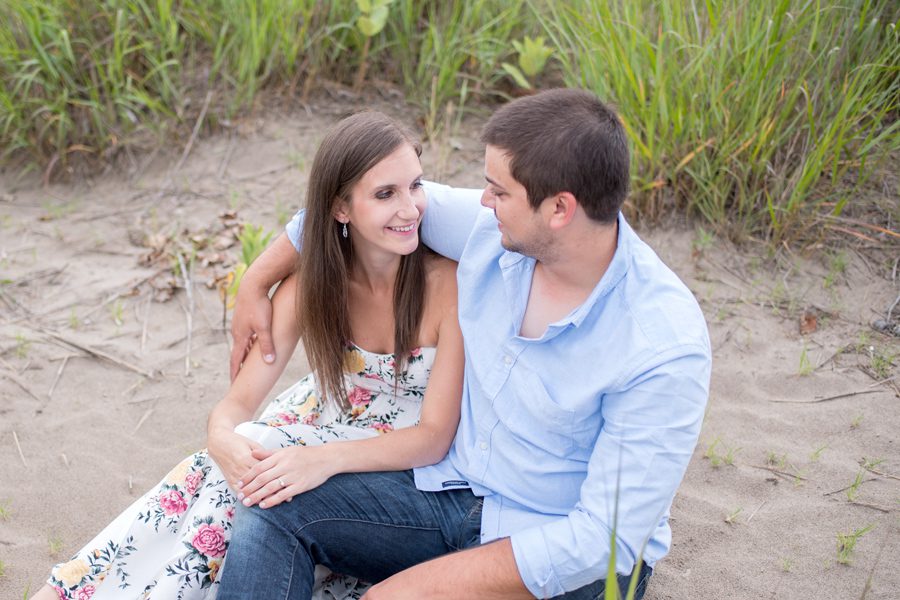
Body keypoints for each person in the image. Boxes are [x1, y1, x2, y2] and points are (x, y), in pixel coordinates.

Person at [219, 88, 712, 599]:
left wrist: (411, 590)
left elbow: (603, 543)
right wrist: (257, 280)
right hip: (453, 495)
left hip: (562, 555)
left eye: (498, 192)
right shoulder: (492, 230)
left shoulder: (662, 344)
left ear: (560, 209)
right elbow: (353, 200)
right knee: (275, 507)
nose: (481, 201)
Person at [34, 111, 465, 600]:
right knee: (226, 466)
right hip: (320, 421)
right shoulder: (312, 285)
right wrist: (222, 441)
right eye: (386, 194)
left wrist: (317, 460)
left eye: (416, 186)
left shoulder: (445, 284)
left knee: (257, 470)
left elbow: (433, 439)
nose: (411, 208)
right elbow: (235, 408)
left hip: (398, 459)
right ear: (341, 209)